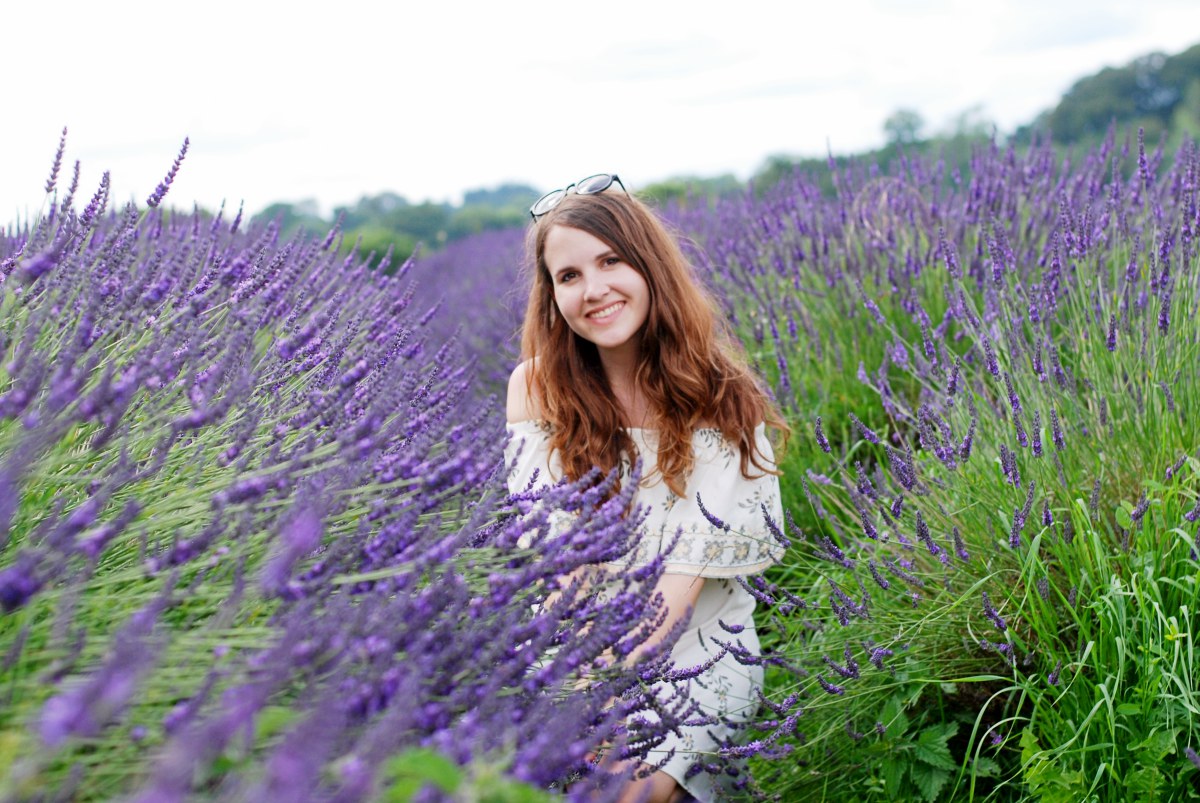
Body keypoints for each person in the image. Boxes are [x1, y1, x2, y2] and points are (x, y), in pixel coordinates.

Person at [504, 174, 788, 803]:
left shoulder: (719, 401)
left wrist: (606, 703)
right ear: (552, 296)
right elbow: (556, 561)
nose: (594, 289)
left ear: (650, 267)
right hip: (571, 646)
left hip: (696, 657)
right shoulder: (535, 389)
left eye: (610, 261)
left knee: (622, 792)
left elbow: (677, 591)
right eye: (569, 275)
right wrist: (571, 694)